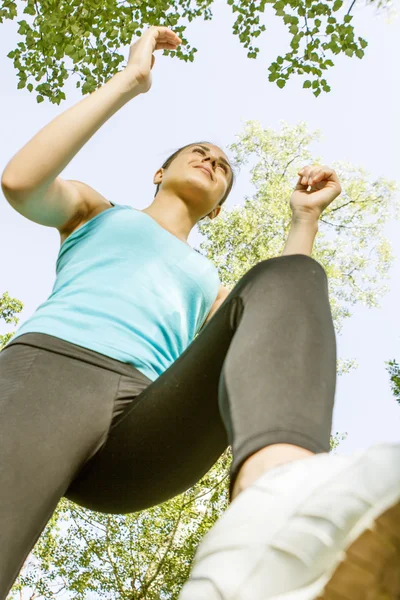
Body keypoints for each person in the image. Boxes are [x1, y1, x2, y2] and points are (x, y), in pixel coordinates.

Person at [1, 25, 399, 600]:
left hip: (143, 428)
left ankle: (278, 503)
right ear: (159, 174)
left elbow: (269, 338)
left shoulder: (210, 282)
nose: (212, 160)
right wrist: (132, 81)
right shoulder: (98, 212)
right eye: (198, 153)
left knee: (286, 277)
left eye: (222, 167)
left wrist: (304, 218)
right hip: (52, 375)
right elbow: (20, 181)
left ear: (216, 212)